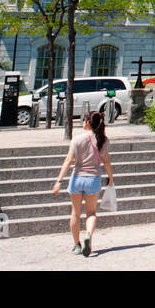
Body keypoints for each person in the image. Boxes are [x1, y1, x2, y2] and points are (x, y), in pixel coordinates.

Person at [53, 110, 113, 257]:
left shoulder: (77, 140)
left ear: (87, 122)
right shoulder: (104, 140)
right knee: (91, 213)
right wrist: (111, 177)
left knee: (75, 213)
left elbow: (68, 161)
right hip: (93, 178)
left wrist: (59, 181)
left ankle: (76, 245)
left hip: (77, 178)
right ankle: (88, 236)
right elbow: (106, 162)